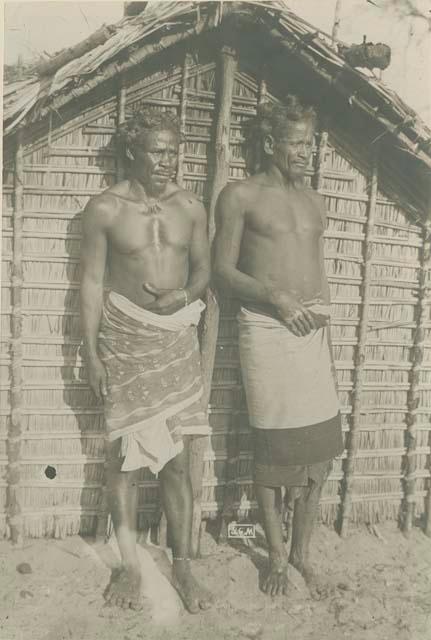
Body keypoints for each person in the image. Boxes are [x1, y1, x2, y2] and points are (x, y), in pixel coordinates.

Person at [80, 107, 213, 613]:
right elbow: (91, 283)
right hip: (124, 340)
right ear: (132, 152)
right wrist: (90, 353)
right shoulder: (105, 210)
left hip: (174, 341)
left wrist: (181, 299)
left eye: (173, 151)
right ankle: (130, 565)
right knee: (123, 460)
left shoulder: (192, 208)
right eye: (158, 151)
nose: (168, 160)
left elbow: (202, 273)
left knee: (177, 461)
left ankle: (182, 564)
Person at [213, 96, 343, 600]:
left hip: (312, 332)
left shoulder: (314, 199)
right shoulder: (240, 196)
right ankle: (276, 557)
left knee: (321, 454)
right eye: (295, 143)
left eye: (309, 142)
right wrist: (275, 296)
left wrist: (319, 318)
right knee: (273, 451)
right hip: (266, 329)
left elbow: (313, 265)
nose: (305, 152)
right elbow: (223, 271)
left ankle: (302, 554)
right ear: (269, 144)